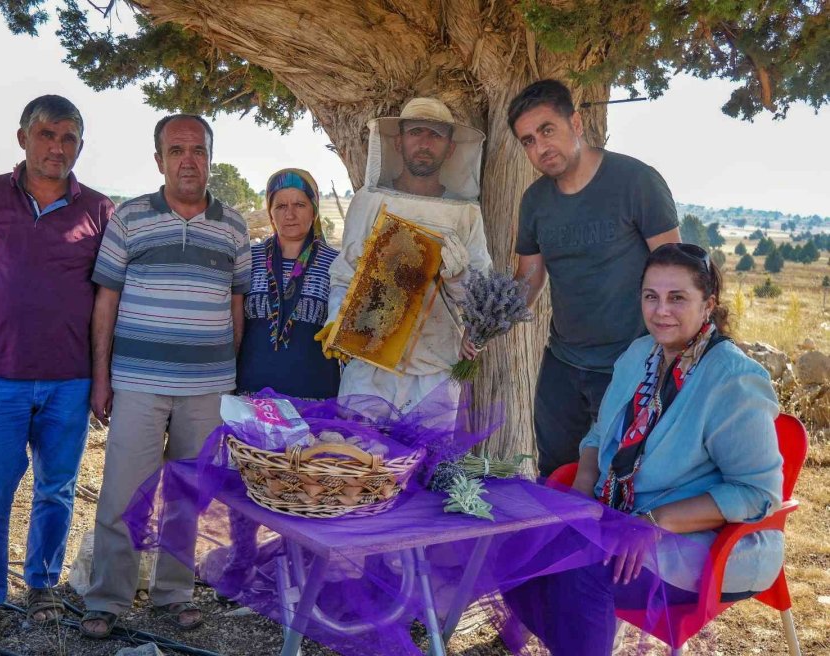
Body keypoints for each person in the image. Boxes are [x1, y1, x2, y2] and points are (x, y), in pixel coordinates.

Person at [507, 243, 784, 655]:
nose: (661, 311)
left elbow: (757, 494)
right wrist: (580, 499)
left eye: (677, 298)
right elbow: (599, 436)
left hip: (703, 541)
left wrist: (653, 522)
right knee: (514, 544)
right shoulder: (641, 354)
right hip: (617, 517)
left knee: (579, 570)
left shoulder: (733, 380)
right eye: (650, 296)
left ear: (708, 304)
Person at [0, 95, 113, 646]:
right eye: (46, 135)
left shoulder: (99, 210)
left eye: (68, 138)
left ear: (80, 147)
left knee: (57, 491)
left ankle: (41, 586)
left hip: (70, 379)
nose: (56, 147)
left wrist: (103, 376)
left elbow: (109, 296)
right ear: (23, 139)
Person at [80, 114, 251, 638]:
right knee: (121, 494)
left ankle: (172, 595)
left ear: (210, 158)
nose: (188, 160)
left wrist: (224, 375)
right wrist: (102, 377)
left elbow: (236, 307)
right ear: (159, 161)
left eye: (197, 150)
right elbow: (105, 301)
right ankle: (107, 599)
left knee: (188, 495)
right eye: (176, 151)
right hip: (138, 382)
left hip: (207, 388)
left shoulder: (234, 226)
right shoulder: (130, 218)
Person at [502, 79, 682, 476]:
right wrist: (488, 322)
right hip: (563, 363)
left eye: (547, 130)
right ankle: (563, 540)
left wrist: (677, 357)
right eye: (528, 140)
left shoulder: (636, 182)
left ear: (577, 123)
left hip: (631, 363)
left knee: (619, 477)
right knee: (556, 472)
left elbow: (676, 274)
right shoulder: (534, 202)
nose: (540, 147)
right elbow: (528, 278)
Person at [319, 97, 492, 410]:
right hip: (369, 361)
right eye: (416, 132)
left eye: (436, 135)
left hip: (434, 366)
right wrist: (336, 321)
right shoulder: (369, 201)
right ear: (398, 142)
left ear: (450, 148)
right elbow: (345, 272)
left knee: (427, 459)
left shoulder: (466, 212)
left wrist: (458, 277)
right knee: (361, 454)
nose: (424, 143)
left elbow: (482, 297)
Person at [236, 168, 340, 399]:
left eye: (299, 205)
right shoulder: (248, 259)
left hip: (317, 400)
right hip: (252, 398)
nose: (289, 215)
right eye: (281, 206)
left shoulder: (337, 265)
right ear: (270, 213)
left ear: (314, 209)